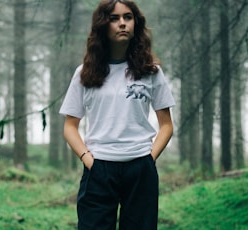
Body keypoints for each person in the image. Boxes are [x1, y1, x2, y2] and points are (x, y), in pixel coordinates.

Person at [59, 0, 175, 229]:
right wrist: (88, 160)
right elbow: (70, 126)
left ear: (135, 24)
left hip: (140, 169)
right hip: (99, 169)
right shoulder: (84, 73)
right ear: (103, 25)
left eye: (128, 17)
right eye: (114, 18)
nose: (122, 23)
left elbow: (167, 125)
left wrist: (148, 159)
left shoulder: (151, 71)